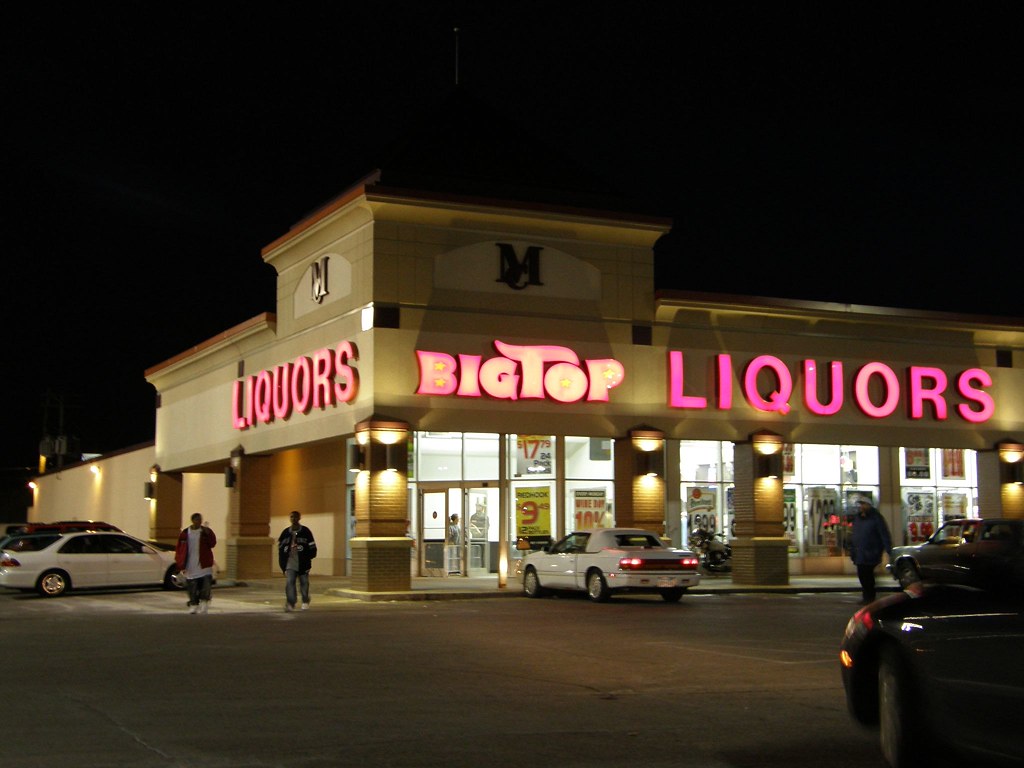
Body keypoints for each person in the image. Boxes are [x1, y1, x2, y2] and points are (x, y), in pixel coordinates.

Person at [848, 497, 892, 603]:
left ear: (869, 505)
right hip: (859, 552)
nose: (861, 506)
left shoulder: (876, 518)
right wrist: (851, 548)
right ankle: (866, 596)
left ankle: (870, 597)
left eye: (864, 504)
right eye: (861, 504)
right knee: (862, 575)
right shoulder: (858, 518)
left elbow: (884, 534)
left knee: (867, 575)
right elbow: (854, 534)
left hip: (871, 552)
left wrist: (888, 550)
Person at [175, 513, 217, 614]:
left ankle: (204, 603)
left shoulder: (205, 532)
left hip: (204, 564)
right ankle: (193, 604)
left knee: (206, 585)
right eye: (197, 520)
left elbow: (213, 543)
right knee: (192, 586)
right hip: (190, 565)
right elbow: (179, 548)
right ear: (192, 520)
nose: (199, 522)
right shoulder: (185, 533)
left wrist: (208, 533)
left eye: (200, 520)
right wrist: (180, 563)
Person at [278, 510, 317, 611]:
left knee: (304, 582)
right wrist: (283, 565)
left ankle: (305, 600)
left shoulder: (306, 532)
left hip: (303, 563)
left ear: (299, 518)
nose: (293, 519)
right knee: (290, 582)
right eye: (291, 517)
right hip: (290, 562)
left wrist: (308, 559)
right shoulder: (285, 533)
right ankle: (290, 603)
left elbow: (312, 547)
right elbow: (281, 550)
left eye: (295, 517)